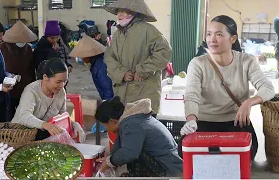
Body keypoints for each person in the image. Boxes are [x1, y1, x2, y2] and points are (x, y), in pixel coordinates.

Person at [179, 15, 275, 160]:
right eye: (209, 34)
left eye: (219, 34)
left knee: (245, 154)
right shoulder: (198, 63)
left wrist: (248, 102)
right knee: (187, 153)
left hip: (237, 122)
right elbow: (192, 95)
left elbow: (267, 88)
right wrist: (191, 120)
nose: (212, 39)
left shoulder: (246, 61)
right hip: (204, 123)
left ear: (233, 39)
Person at [104, 0, 171, 117]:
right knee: (126, 128)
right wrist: (121, 73)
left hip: (144, 91)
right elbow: (109, 57)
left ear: (133, 13)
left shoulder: (148, 30)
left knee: (143, 128)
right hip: (122, 92)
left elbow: (164, 51)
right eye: (118, 11)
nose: (119, 14)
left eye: (123, 11)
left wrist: (143, 69)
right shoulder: (117, 34)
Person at [95, 96, 183, 177]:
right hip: (169, 165)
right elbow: (119, 146)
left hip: (169, 171)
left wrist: (109, 162)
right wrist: (109, 159)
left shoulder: (133, 125)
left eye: (105, 126)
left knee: (132, 152)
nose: (107, 129)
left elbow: (129, 152)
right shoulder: (131, 120)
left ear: (112, 121)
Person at [11, 58, 86, 142]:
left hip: (42, 136)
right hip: (20, 136)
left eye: (65, 81)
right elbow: (24, 116)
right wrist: (46, 125)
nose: (62, 85)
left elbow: (62, 117)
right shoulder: (31, 90)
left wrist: (74, 124)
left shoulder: (61, 92)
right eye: (58, 82)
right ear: (45, 77)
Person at [0, 21, 37, 119]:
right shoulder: (2, 48)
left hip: (25, 87)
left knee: (25, 114)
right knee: (9, 114)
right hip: (8, 88)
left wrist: (33, 85)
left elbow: (31, 68)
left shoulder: (28, 49)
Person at [69, 35, 113, 100]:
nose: (81, 58)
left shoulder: (101, 67)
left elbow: (108, 89)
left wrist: (107, 103)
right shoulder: (95, 63)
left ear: (89, 55)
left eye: (82, 56)